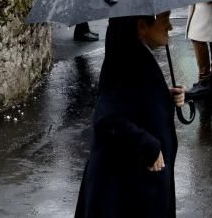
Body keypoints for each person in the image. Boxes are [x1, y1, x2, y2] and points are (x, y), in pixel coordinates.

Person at [74, 13, 184, 217]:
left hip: (135, 184)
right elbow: (105, 118)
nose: (169, 27)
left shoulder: (134, 54)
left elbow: (132, 101)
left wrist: (164, 96)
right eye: (165, 20)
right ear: (142, 26)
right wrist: (148, 145)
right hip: (126, 190)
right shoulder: (124, 60)